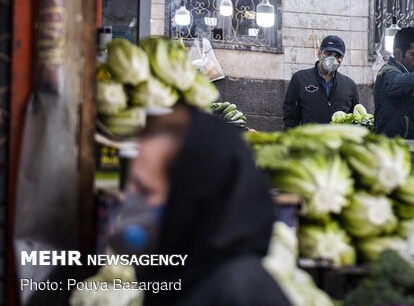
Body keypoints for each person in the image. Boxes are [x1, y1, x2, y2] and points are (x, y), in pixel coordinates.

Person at [110, 105, 291, 306]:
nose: (128, 199)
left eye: (145, 190)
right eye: (131, 185)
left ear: (190, 198)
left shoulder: (233, 295)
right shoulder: (181, 275)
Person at [283, 35, 359, 128]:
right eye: (328, 53)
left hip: (338, 141)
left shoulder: (349, 85)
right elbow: (290, 116)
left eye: (338, 56)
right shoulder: (300, 79)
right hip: (311, 140)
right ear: (319, 53)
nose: (332, 59)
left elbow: (355, 119)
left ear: (342, 59)